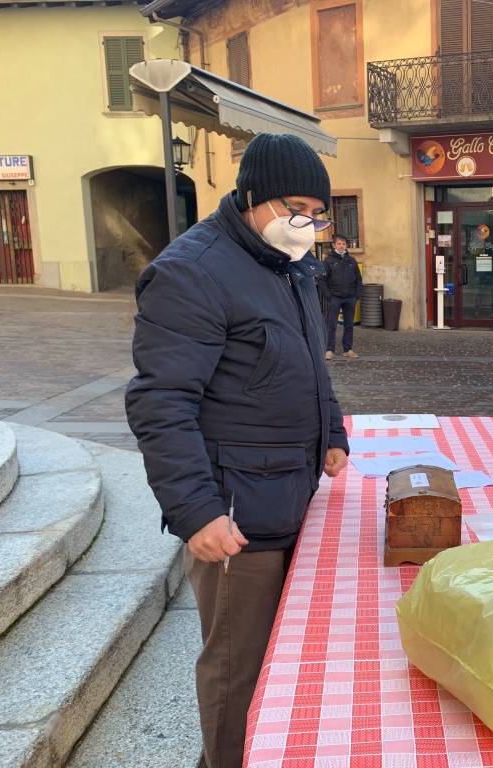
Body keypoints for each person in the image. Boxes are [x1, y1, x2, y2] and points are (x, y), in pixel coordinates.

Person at [125, 134, 349, 768]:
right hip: (236, 515)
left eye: (317, 209)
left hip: (288, 488)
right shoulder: (190, 272)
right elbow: (161, 403)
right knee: (236, 667)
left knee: (285, 652)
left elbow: (311, 361)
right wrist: (196, 512)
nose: (306, 222)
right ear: (252, 197)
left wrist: (330, 430)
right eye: (294, 205)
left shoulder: (291, 266)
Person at [323, 234, 362, 360]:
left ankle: (348, 349)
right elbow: (322, 280)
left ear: (346, 246)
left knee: (349, 325)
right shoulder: (328, 261)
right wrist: (328, 296)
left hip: (350, 298)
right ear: (334, 245)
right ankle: (329, 350)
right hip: (335, 297)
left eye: (343, 244)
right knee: (332, 325)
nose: (341, 246)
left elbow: (358, 279)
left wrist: (357, 295)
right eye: (339, 244)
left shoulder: (351, 260)